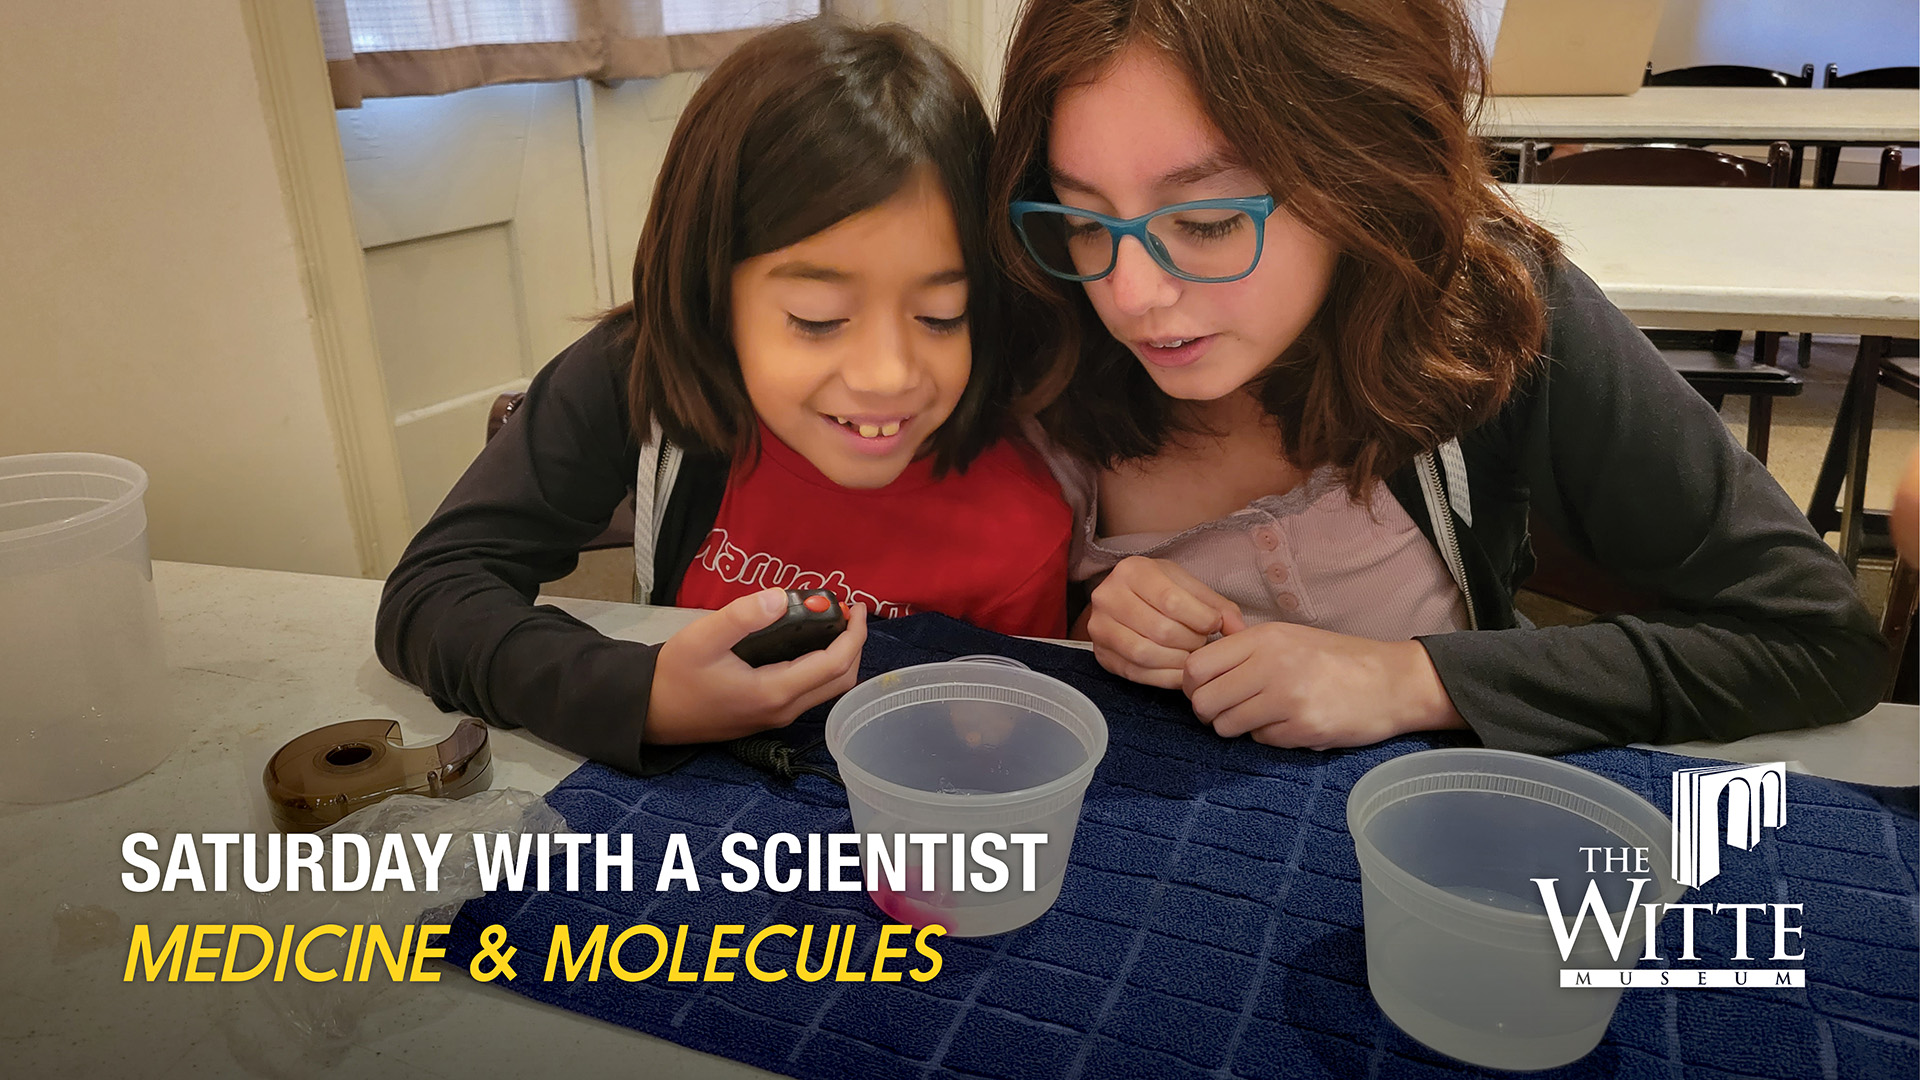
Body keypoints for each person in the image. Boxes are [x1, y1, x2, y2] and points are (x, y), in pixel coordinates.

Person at [986, 0, 1885, 754]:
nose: (1133, 295)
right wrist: (1093, 622)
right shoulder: (1039, 341)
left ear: (1361, 173)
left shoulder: (1487, 318)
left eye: (1212, 222)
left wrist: (1414, 678)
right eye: (1084, 220)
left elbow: (1816, 638)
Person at [378, 19, 1070, 775]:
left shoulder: (1019, 525)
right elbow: (432, 591)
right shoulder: (637, 379)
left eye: (942, 316)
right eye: (818, 320)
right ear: (714, 293)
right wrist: (642, 695)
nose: (887, 375)